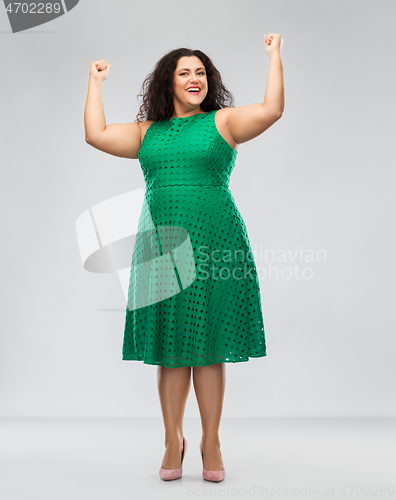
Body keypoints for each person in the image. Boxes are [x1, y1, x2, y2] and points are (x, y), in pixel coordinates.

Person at [84, 33, 284, 482]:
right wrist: (94, 83)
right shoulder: (146, 132)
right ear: (168, 83)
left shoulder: (224, 123)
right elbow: (95, 134)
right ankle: (173, 439)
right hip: (160, 247)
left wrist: (274, 56)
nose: (194, 79)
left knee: (209, 345)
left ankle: (211, 440)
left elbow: (272, 110)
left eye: (200, 73)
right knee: (172, 349)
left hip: (216, 240)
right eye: (184, 72)